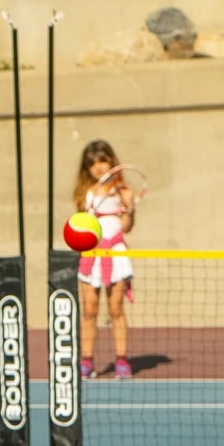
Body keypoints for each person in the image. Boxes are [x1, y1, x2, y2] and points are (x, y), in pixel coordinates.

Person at [72, 138, 137, 380]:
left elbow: (126, 226)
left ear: (111, 161)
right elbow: (81, 226)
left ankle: (121, 360)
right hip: (91, 255)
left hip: (116, 254)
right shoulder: (84, 194)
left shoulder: (121, 192)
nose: (99, 167)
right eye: (93, 163)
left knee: (116, 308)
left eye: (102, 160)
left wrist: (129, 208)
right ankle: (86, 361)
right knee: (89, 310)